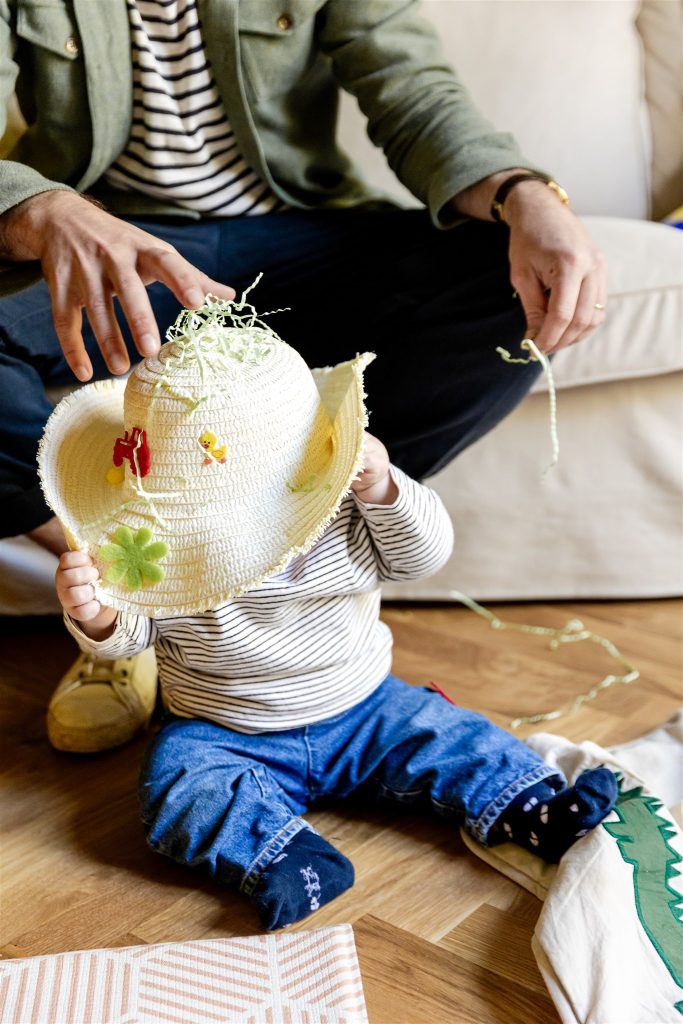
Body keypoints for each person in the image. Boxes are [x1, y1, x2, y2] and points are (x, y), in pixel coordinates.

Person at [0, 0, 607, 751]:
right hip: (117, 244)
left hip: (299, 235)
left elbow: (413, 90)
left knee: (502, 277)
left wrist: (524, 194)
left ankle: (289, 559)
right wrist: (41, 208)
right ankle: (132, 593)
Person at [46, 300, 617, 929]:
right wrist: (97, 615)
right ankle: (286, 858)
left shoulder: (344, 505)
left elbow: (423, 555)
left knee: (446, 733)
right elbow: (134, 635)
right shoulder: (154, 535)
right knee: (178, 782)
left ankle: (535, 807)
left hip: (365, 708)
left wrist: (385, 489)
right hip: (229, 734)